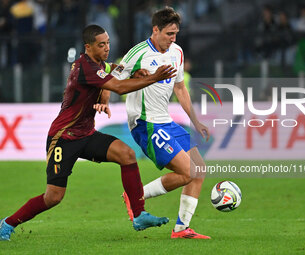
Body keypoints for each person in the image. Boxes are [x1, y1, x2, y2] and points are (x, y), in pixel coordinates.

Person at [0, 24, 176, 241]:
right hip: (63, 138)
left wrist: (134, 72)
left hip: (86, 134)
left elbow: (113, 69)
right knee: (54, 197)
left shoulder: (97, 64)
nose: (106, 48)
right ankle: (6, 224)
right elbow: (119, 88)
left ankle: (139, 215)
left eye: (108, 43)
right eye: (101, 45)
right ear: (88, 47)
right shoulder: (86, 68)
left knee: (127, 154)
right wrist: (152, 77)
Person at [112, 7, 211, 239]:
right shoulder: (137, 53)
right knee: (188, 171)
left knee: (199, 170)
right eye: (169, 34)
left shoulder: (177, 52)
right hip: (146, 123)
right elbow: (114, 77)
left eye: (176, 33)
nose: (173, 39)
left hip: (166, 121)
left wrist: (195, 120)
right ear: (155, 30)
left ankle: (181, 228)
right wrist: (102, 99)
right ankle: (135, 195)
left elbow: (179, 87)